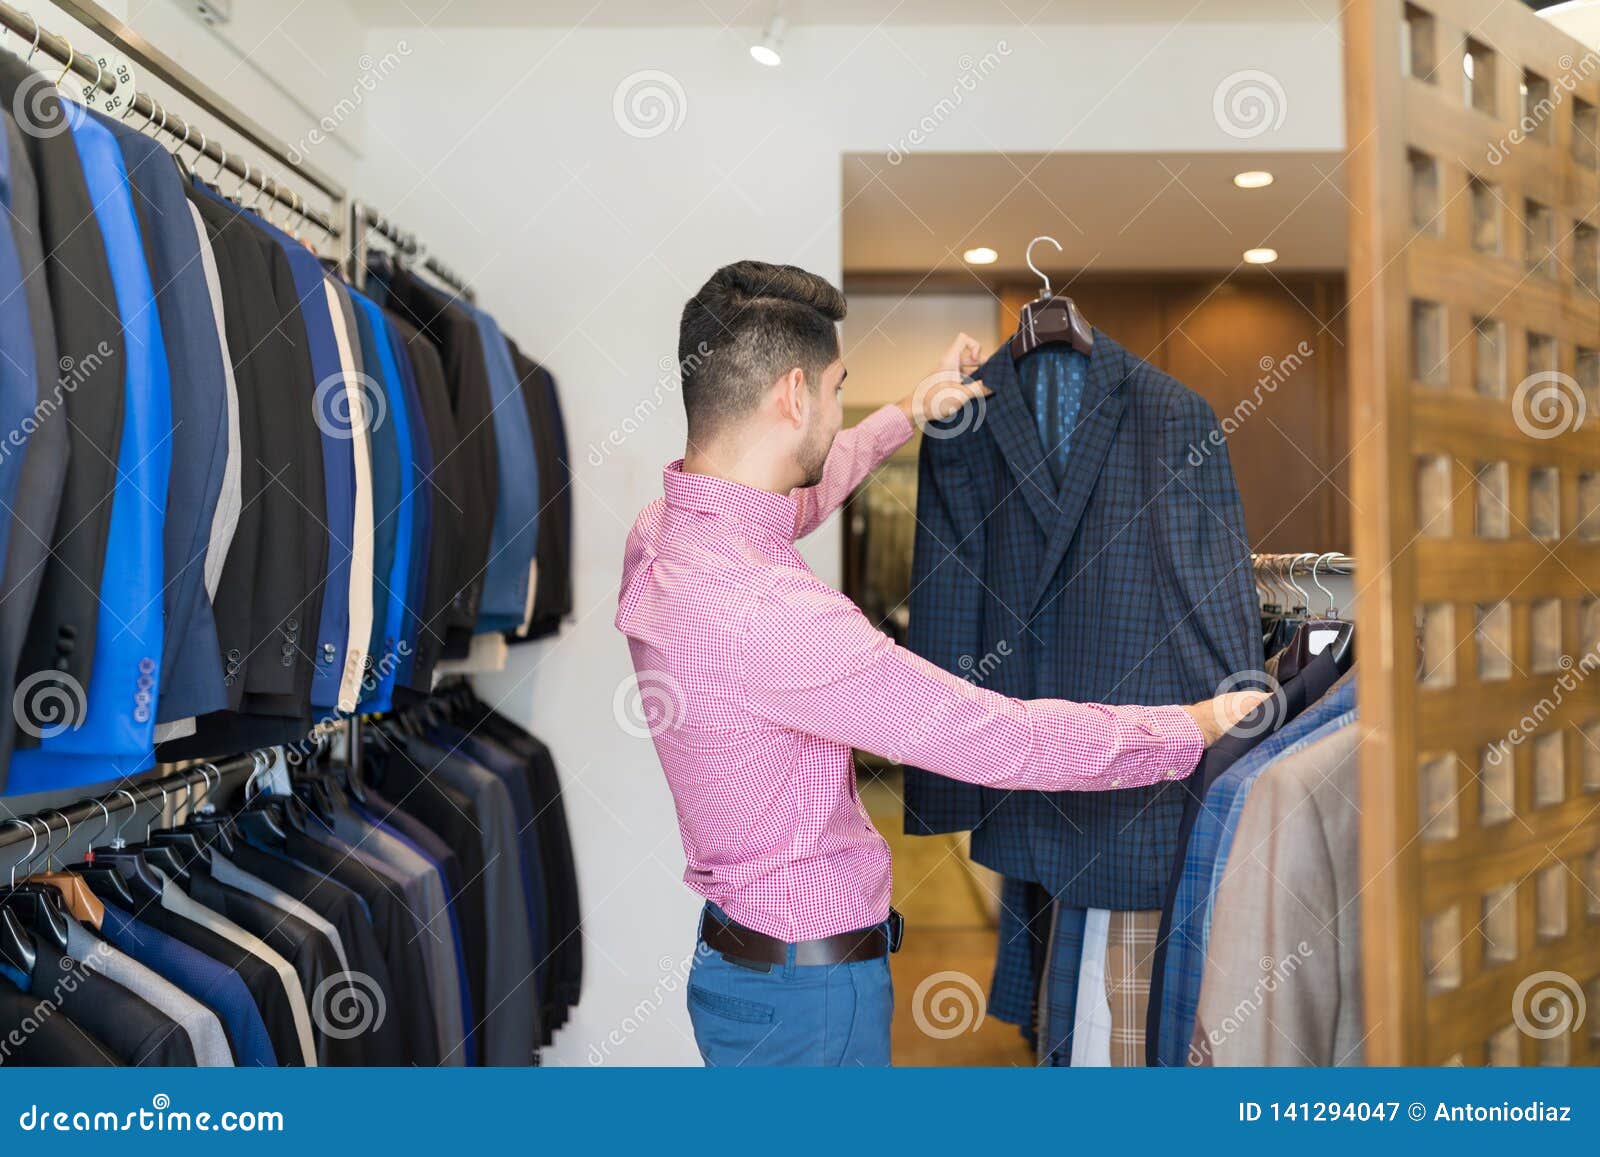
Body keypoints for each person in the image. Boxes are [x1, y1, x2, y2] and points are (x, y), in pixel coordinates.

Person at [614, 260, 1267, 1067]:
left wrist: (903, 414)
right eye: (835, 386)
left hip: (733, 966)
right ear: (792, 394)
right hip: (810, 998)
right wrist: (1189, 726)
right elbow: (1002, 738)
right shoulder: (775, 616)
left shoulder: (663, 532)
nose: (833, 404)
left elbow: (790, 503)